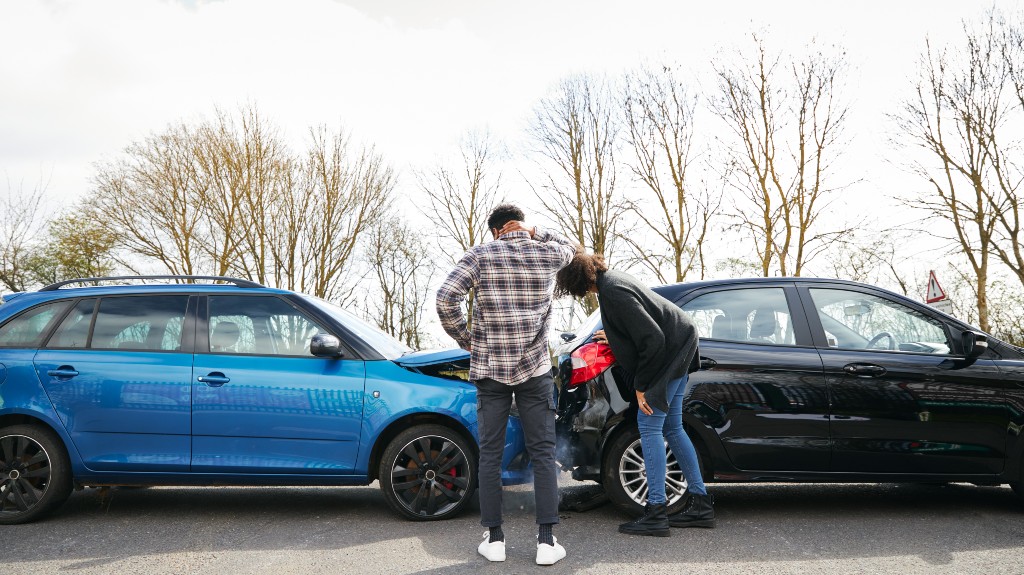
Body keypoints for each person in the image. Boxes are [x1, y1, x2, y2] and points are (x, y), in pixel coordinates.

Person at [436, 204, 577, 565]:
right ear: (520, 225)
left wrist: (466, 338)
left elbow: (446, 297)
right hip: (534, 370)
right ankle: (546, 541)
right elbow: (573, 249)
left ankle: (495, 538)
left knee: (491, 454)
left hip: (490, 368)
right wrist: (537, 233)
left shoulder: (481, 254)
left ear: (495, 230)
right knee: (544, 454)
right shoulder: (546, 251)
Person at [554, 251, 715, 537]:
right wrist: (615, 337)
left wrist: (642, 387)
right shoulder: (612, 281)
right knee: (673, 427)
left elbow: (652, 340)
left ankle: (656, 512)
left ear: (575, 280)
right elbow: (640, 329)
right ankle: (701, 504)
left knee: (649, 425)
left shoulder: (613, 291)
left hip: (670, 351)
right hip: (680, 344)